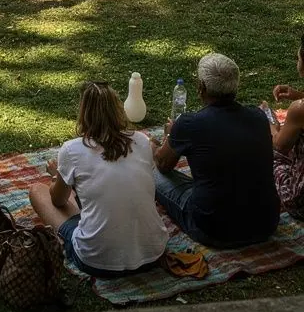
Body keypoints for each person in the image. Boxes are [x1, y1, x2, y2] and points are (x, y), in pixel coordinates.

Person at [29, 80, 168, 278]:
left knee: (37, 190)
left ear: (83, 113)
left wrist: (55, 177)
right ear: (118, 109)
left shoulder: (71, 150)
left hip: (98, 261)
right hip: (154, 253)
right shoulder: (142, 141)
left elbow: (58, 200)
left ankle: (89, 226)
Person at [153, 52, 280, 247]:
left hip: (213, 229)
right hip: (265, 224)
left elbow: (163, 165)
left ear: (201, 87)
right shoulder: (258, 117)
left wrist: (166, 138)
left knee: (151, 171)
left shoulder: (189, 124)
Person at [270, 34, 304, 218]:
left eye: (298, 58)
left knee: (270, 155)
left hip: (300, 201)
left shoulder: (299, 110)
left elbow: (279, 147)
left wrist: (272, 125)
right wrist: (298, 95)